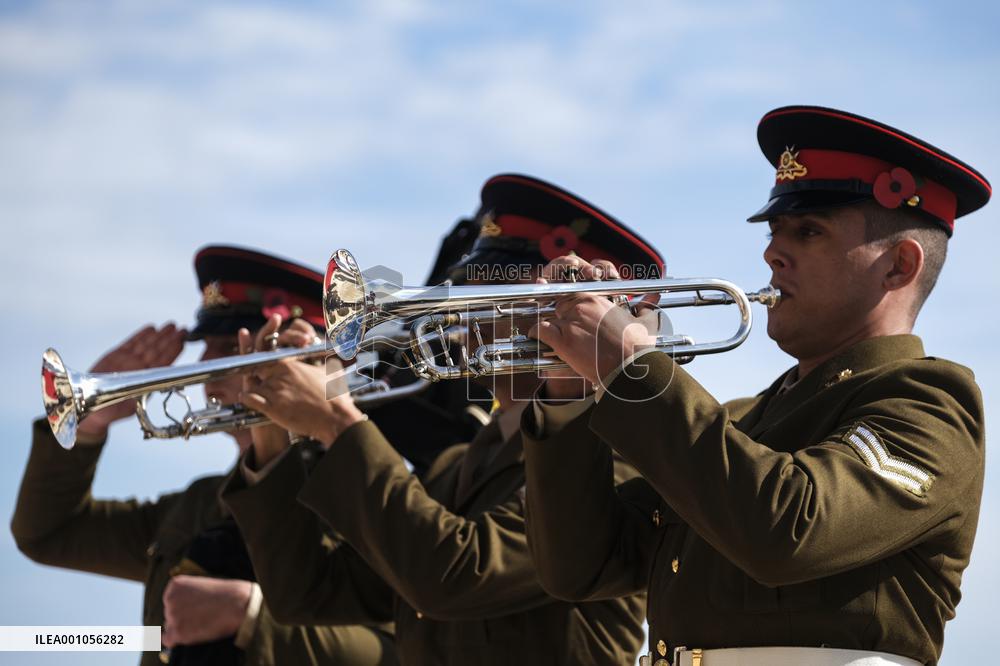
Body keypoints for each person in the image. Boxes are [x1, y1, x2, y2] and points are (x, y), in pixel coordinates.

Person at [521, 105, 991, 666]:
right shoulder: (743, 420)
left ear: (898, 266)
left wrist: (631, 365)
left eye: (808, 231)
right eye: (775, 231)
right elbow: (582, 566)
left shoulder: (929, 402)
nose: (771, 252)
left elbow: (790, 530)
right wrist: (568, 387)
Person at [220, 174, 664, 664]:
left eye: (489, 296)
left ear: (577, 310)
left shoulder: (610, 459)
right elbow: (309, 591)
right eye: (463, 292)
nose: (458, 314)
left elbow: (455, 576)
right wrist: (269, 434)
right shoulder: (453, 467)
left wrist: (334, 422)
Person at [13, 245, 398, 666]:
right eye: (209, 346)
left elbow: (406, 649)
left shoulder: (368, 498)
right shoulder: (200, 504)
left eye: (236, 347)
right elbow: (47, 534)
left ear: (309, 360)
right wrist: (90, 424)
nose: (205, 366)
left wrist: (253, 620)